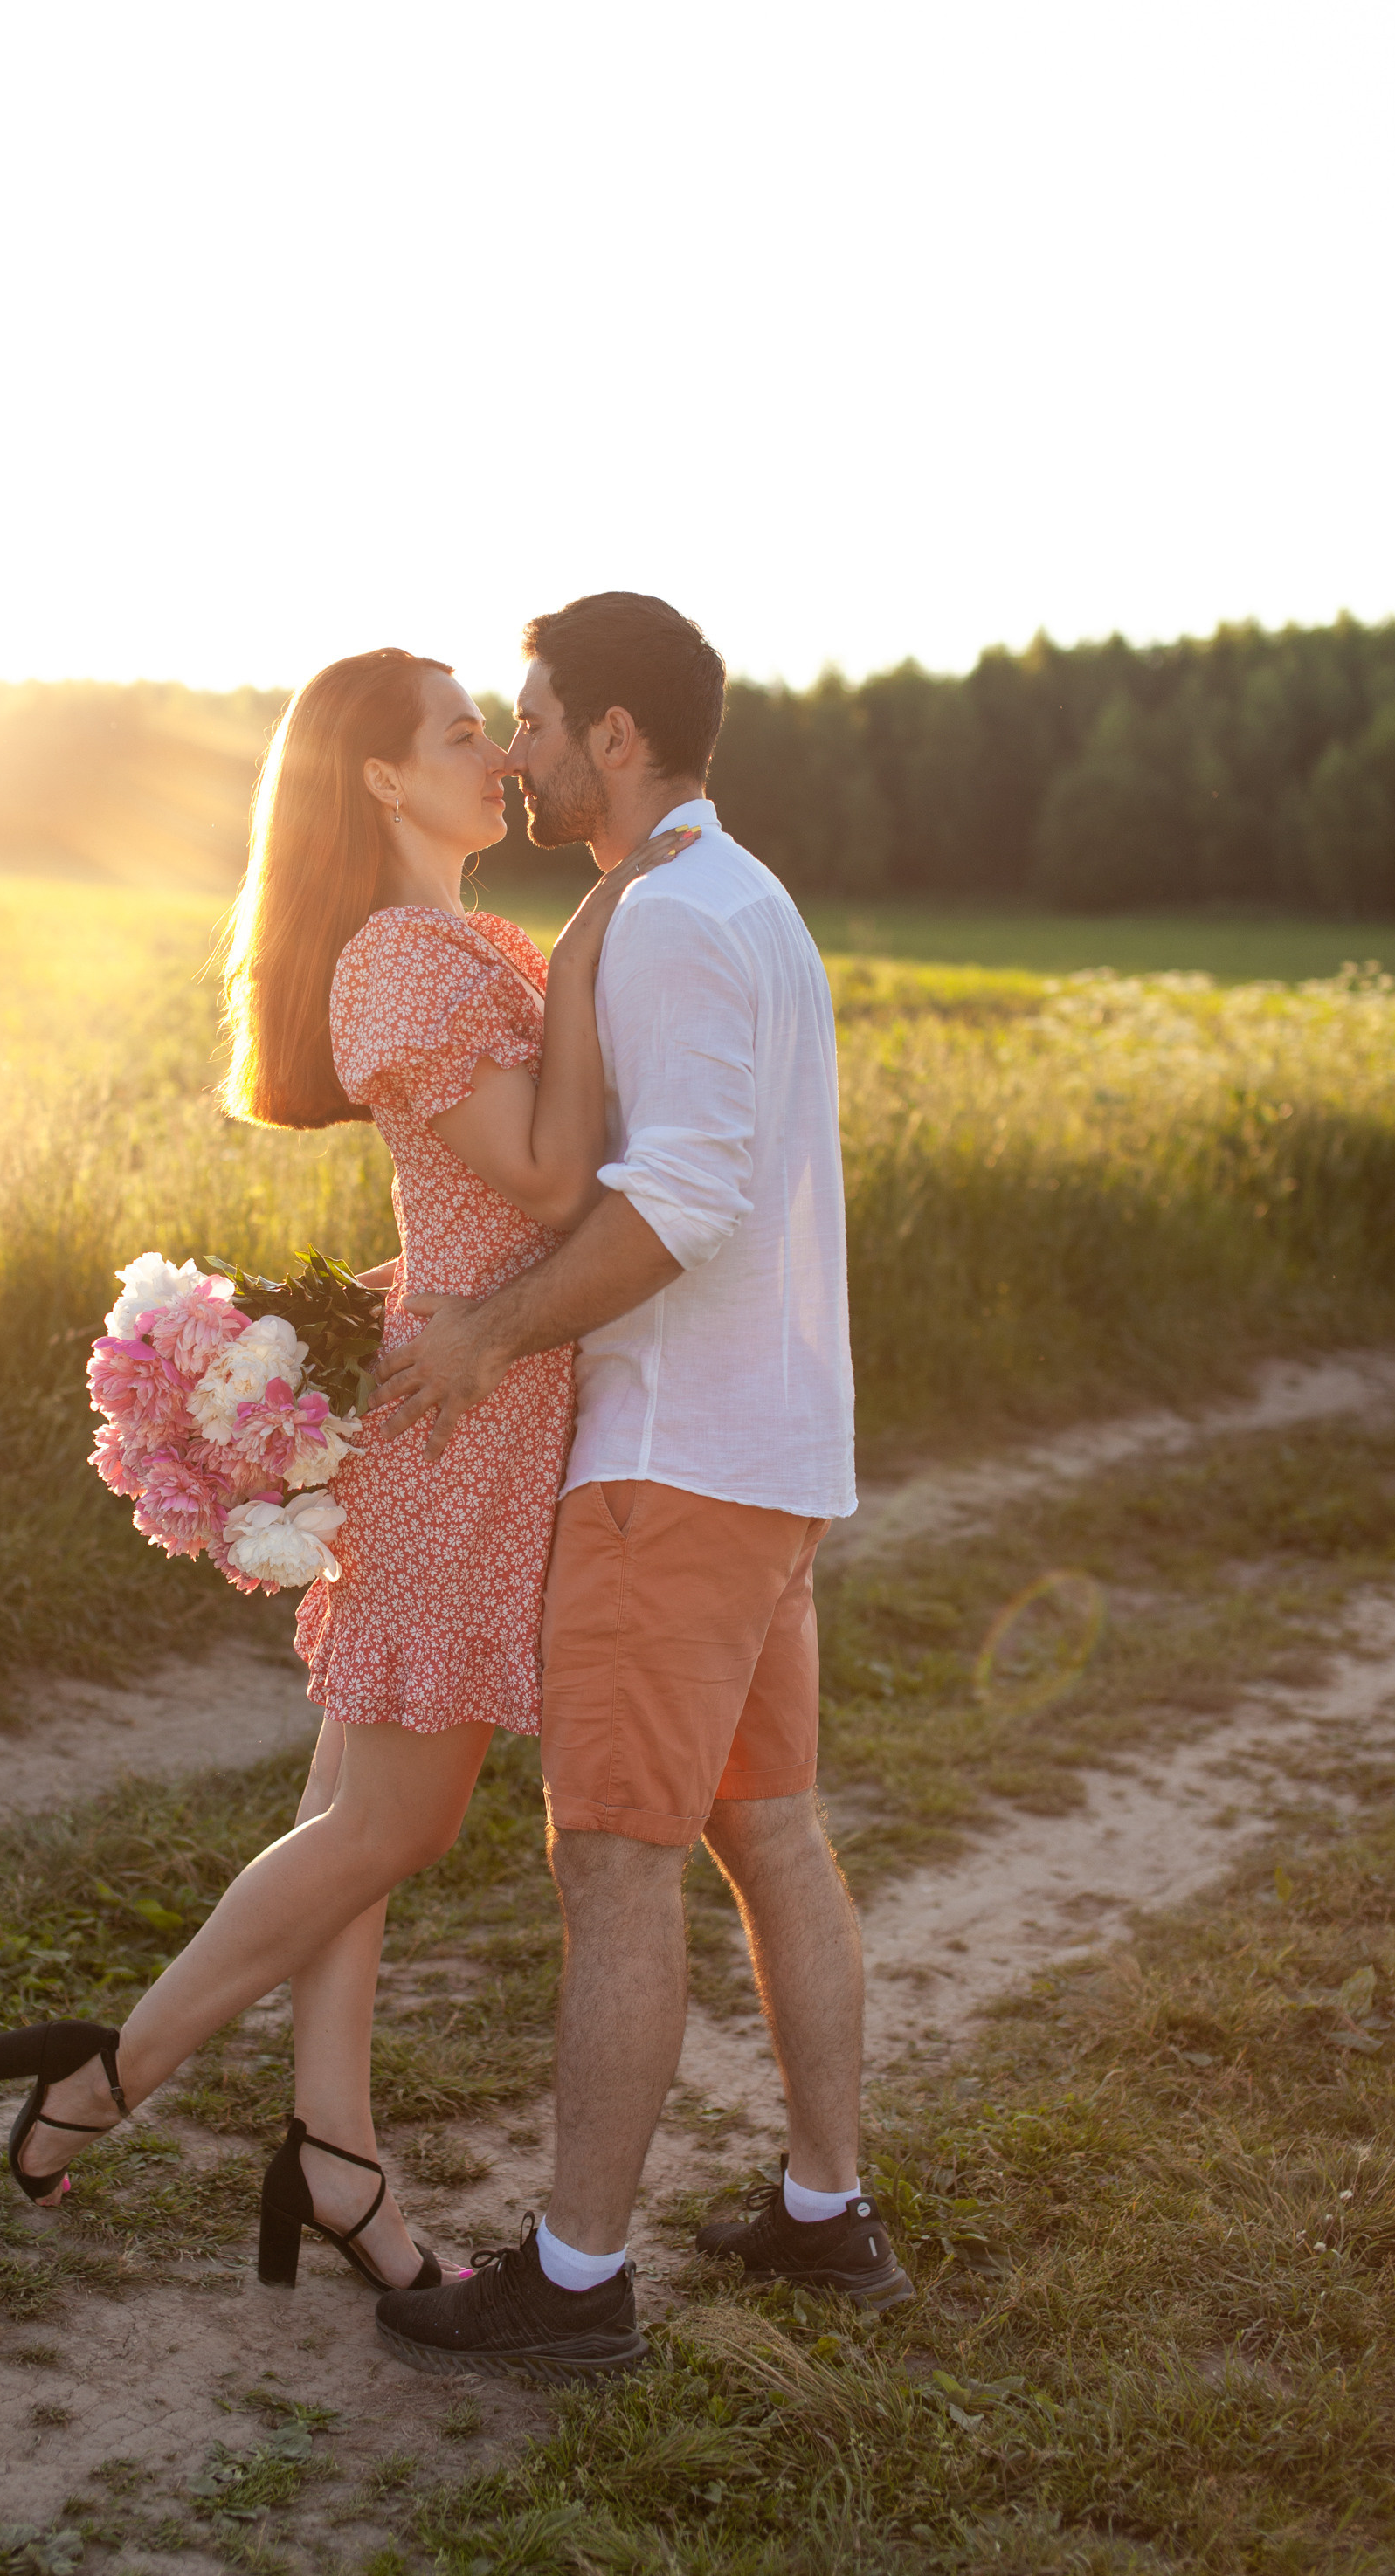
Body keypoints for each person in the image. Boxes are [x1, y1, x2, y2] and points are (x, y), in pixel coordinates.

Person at [0, 646, 694, 2296]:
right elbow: (555, 1180)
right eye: (464, 733)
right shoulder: (404, 962)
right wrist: (593, 948)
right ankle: (110, 2076)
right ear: (380, 778)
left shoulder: (453, 945)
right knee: (392, 1822)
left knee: (350, 1812)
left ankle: (338, 2153)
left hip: (469, 1401)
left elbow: (466, 1222)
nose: (499, 759)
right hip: (464, 1438)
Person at [370, 591, 913, 2382]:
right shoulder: (724, 894)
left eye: (530, 720)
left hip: (668, 1472)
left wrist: (480, 1342)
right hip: (770, 1463)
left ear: (613, 736)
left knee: (614, 1866)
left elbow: (675, 1207)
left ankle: (576, 2278)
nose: (513, 751)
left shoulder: (674, 921)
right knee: (766, 1833)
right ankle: (827, 2216)